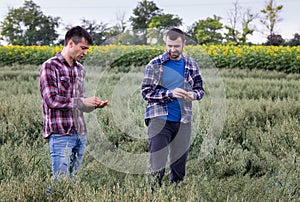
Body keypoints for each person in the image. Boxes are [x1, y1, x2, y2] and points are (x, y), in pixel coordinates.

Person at [39, 26, 108, 182]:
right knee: (61, 182)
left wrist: (93, 105)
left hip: (80, 133)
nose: (85, 52)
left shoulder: (80, 70)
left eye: (87, 49)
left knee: (73, 181)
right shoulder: (50, 66)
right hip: (61, 132)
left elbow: (79, 104)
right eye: (83, 48)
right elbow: (51, 100)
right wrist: (81, 101)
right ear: (70, 43)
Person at [141, 28, 205, 188]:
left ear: (184, 43)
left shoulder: (191, 64)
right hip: (159, 120)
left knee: (179, 164)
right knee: (157, 163)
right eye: (169, 45)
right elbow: (146, 92)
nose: (172, 50)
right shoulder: (155, 64)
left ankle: (175, 193)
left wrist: (193, 95)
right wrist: (169, 94)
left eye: (176, 46)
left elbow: (200, 89)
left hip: (183, 120)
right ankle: (152, 195)